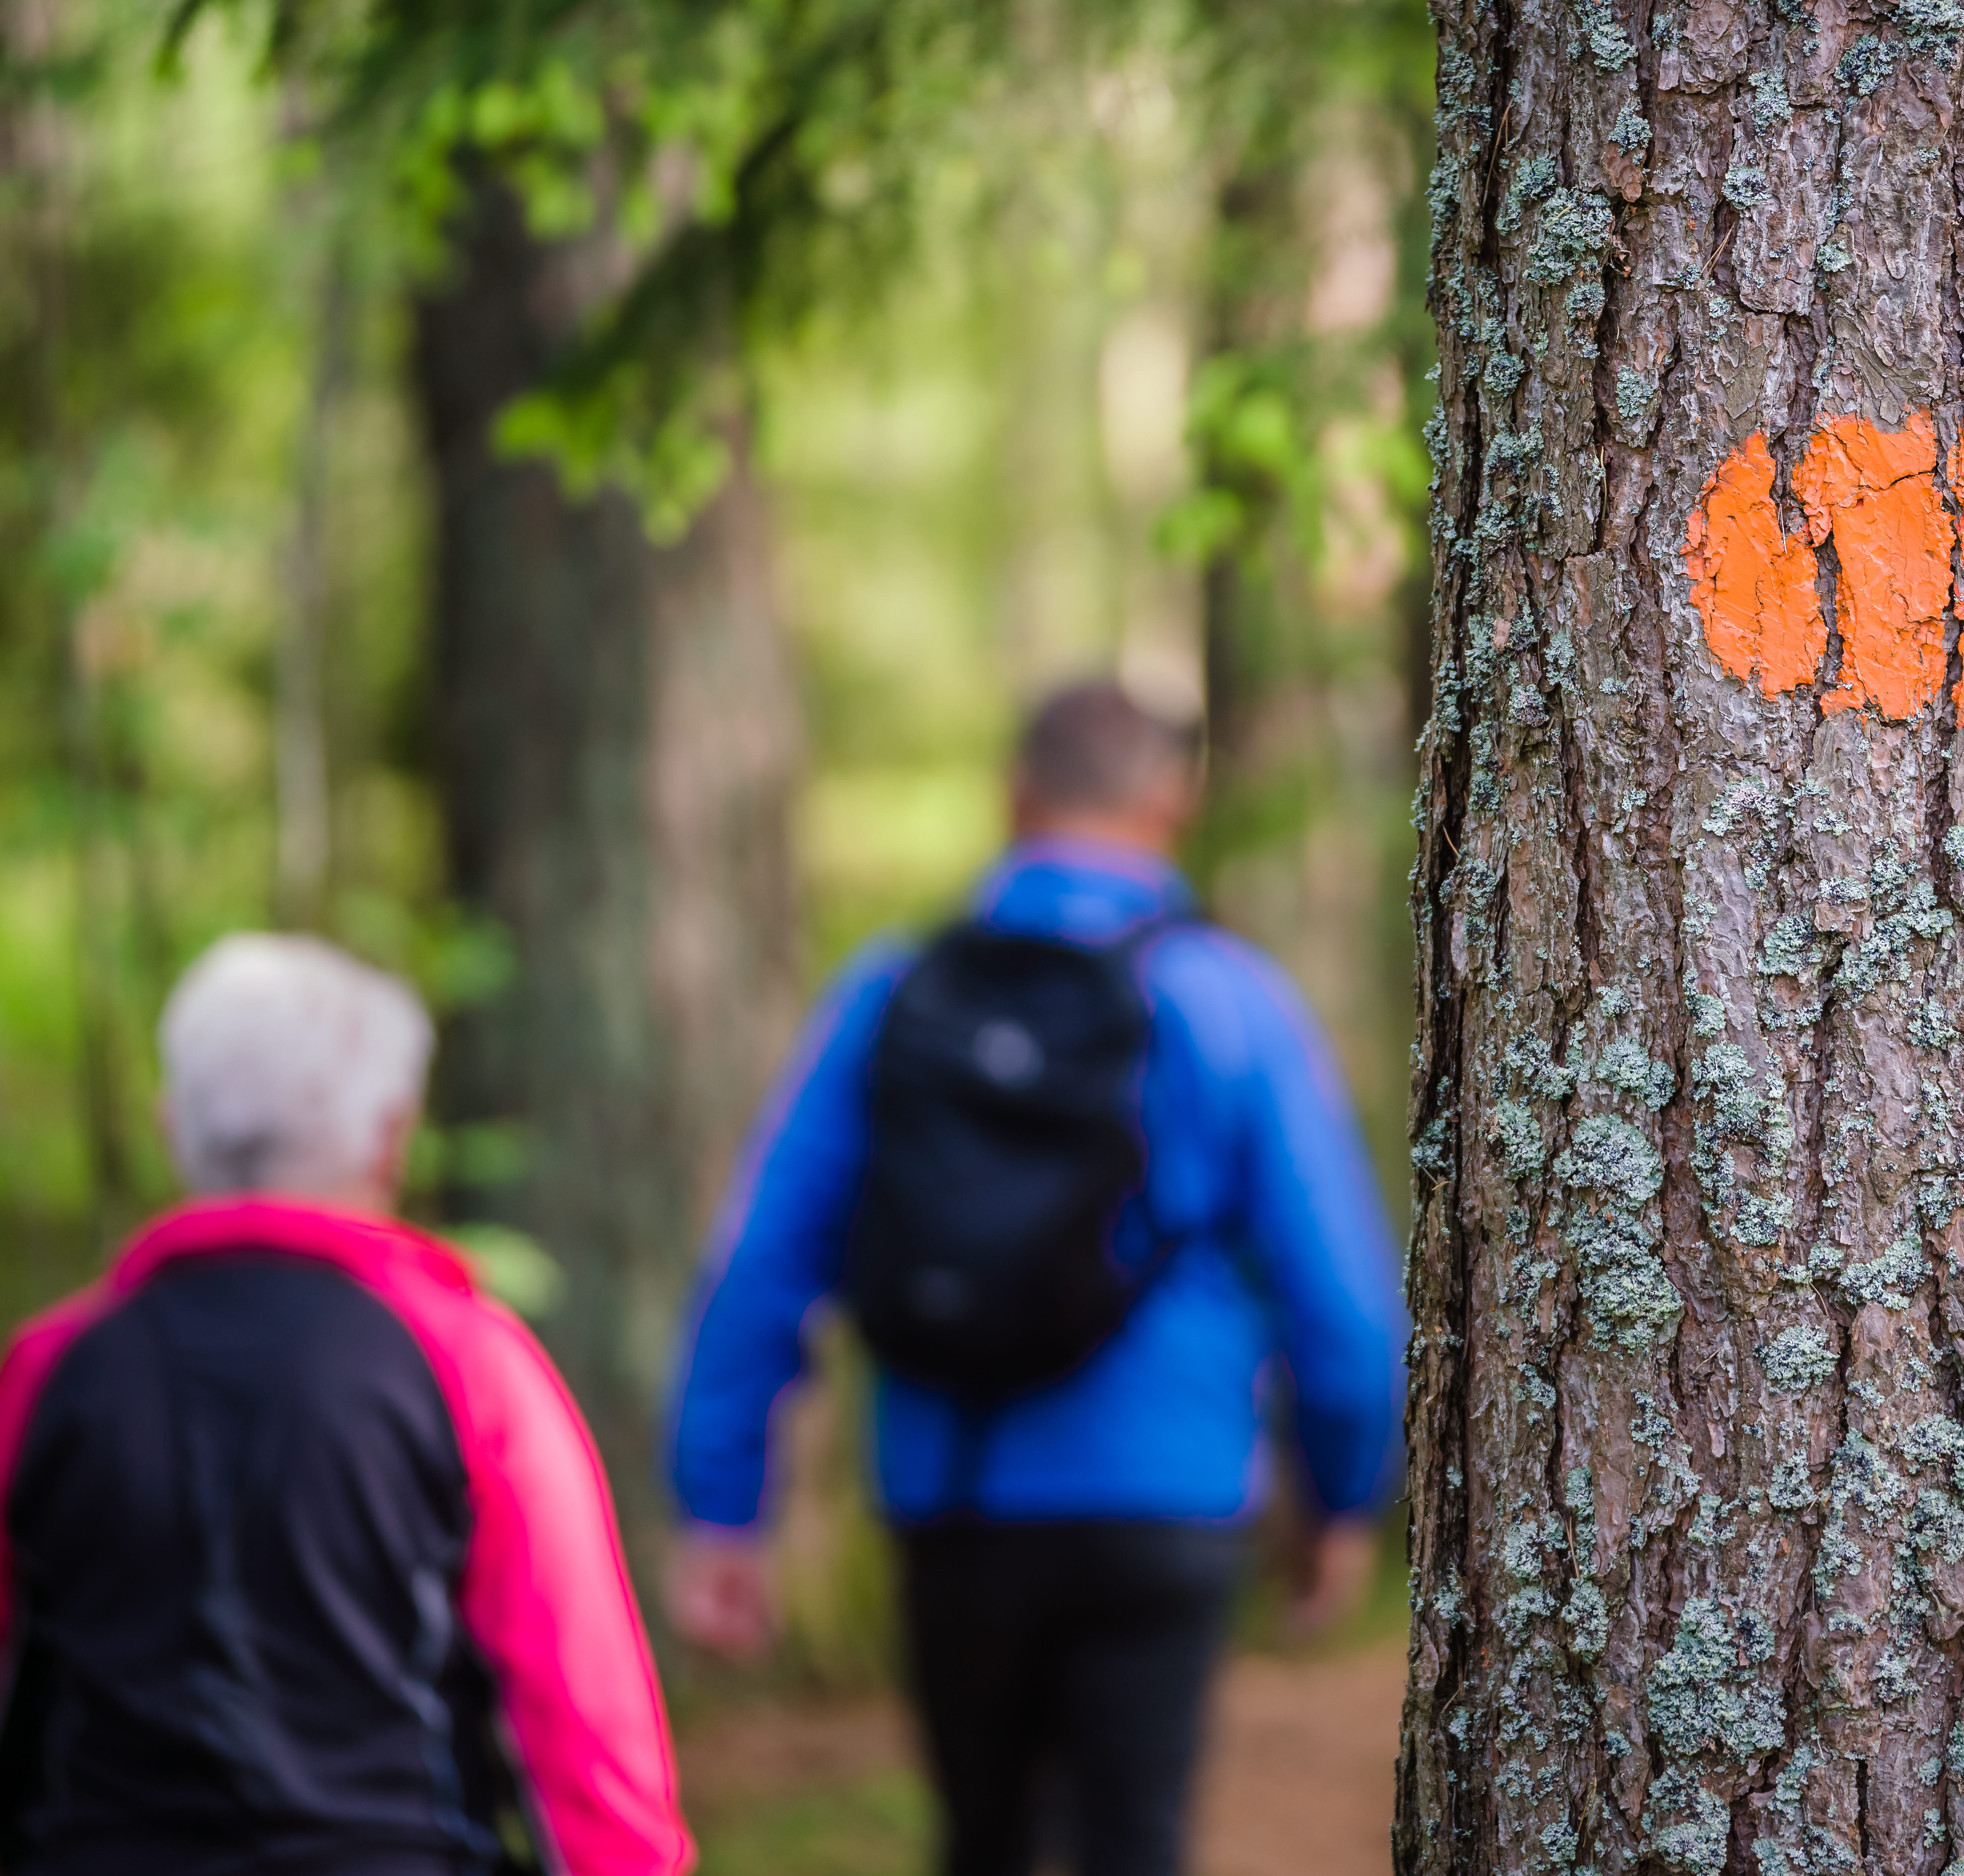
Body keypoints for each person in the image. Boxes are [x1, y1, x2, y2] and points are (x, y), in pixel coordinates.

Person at [664, 680, 1406, 1876]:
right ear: (1173, 800)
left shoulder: (891, 990)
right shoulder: (1229, 999)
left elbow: (764, 1255)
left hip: (952, 1492)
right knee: (1131, 1841)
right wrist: (1339, 1492)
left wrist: (720, 1504)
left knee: (983, 1842)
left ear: (1012, 795)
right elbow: (1337, 1294)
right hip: (1166, 1492)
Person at [0, 935, 693, 1876]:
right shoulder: (470, 1366)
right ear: (392, 1135)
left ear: (172, 1127)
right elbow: (582, 1715)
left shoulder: (48, 1370)